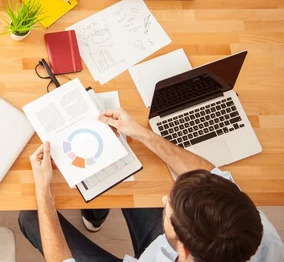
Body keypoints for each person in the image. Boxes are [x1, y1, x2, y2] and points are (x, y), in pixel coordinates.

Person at [19, 108, 284, 262]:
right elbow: (209, 174)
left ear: (183, 249)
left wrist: (43, 189)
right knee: (124, 180)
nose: (163, 200)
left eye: (170, 210)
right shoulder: (251, 228)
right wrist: (143, 134)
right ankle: (95, 217)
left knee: (31, 217)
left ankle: (91, 214)